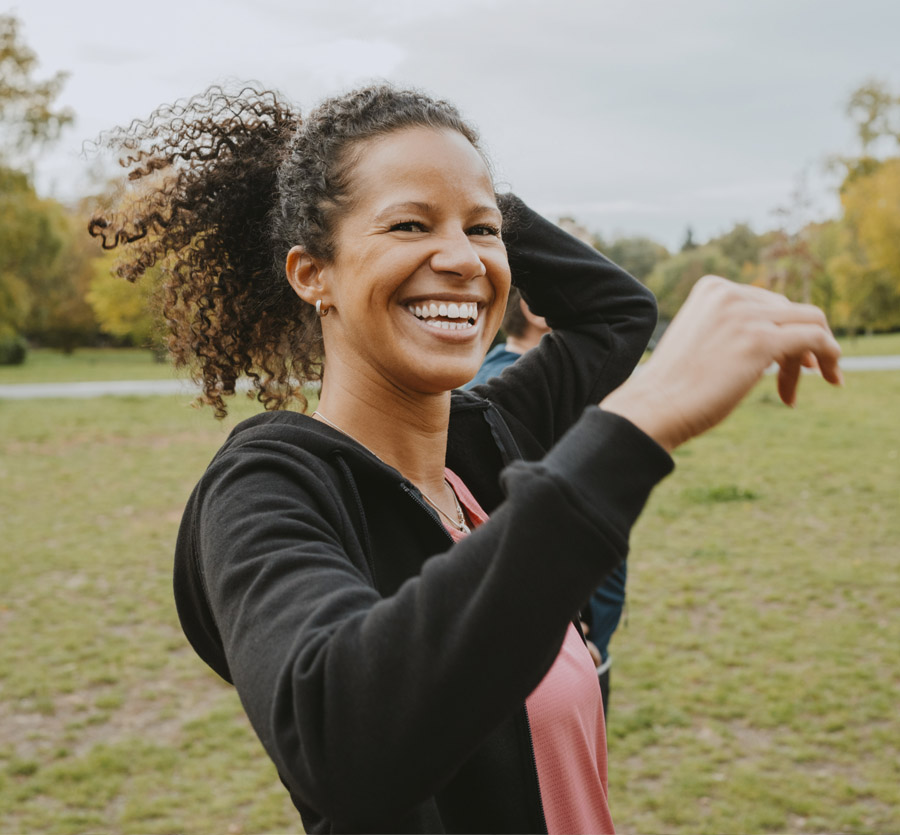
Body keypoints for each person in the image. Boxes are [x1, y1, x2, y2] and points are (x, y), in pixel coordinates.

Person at [90, 83, 842, 834]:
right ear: (311, 273)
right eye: (409, 224)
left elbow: (617, 312)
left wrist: (457, 188)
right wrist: (636, 424)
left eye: (484, 232)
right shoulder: (268, 488)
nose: (460, 259)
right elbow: (344, 744)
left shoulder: (489, 438)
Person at [465, 288, 625, 714]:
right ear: (535, 308)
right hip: (562, 639)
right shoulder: (520, 396)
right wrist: (564, 621)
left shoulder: (489, 376)